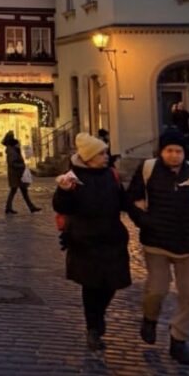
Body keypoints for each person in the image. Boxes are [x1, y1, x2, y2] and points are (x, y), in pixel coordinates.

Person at [127, 130, 189, 366]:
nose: (174, 155)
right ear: (162, 151)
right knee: (156, 290)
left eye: (179, 151)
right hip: (156, 243)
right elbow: (131, 200)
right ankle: (150, 319)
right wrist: (145, 222)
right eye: (169, 150)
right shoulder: (148, 169)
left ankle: (179, 339)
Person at [53, 133, 140, 352]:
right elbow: (61, 206)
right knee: (91, 285)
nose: (106, 156)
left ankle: (98, 316)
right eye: (101, 153)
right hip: (85, 240)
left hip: (112, 238)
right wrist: (64, 191)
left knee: (111, 283)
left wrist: (143, 215)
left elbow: (124, 202)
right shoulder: (73, 177)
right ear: (89, 157)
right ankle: (93, 327)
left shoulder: (111, 174)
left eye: (106, 152)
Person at [3, 131, 40, 213]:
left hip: (18, 174)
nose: (19, 145)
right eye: (18, 144)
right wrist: (22, 166)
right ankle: (9, 207)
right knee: (17, 190)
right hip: (16, 174)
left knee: (22, 191)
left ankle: (30, 207)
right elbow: (12, 163)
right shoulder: (11, 151)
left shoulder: (13, 150)